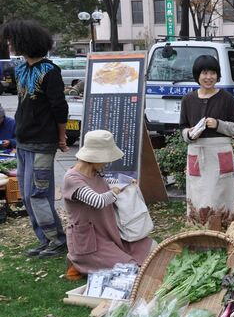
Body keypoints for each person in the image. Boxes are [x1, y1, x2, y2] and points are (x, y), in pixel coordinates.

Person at [0, 20, 68, 257]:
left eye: (12, 40)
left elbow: (60, 108)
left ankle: (57, 241)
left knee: (38, 194)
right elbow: (22, 104)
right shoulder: (20, 69)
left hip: (43, 142)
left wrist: (62, 138)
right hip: (23, 141)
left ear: (24, 42)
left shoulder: (50, 71)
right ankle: (45, 239)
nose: (9, 44)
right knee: (27, 195)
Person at [63, 130, 154, 275]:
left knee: (150, 248)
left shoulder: (96, 173)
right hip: (90, 241)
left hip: (109, 232)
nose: (108, 162)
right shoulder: (72, 179)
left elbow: (106, 185)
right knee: (130, 269)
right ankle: (78, 262)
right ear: (95, 157)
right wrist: (116, 191)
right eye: (106, 158)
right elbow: (98, 201)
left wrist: (125, 183)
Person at [179, 55, 234, 227]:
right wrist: (189, 134)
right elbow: (182, 127)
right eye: (204, 73)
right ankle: (198, 231)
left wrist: (218, 124)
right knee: (197, 194)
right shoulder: (188, 100)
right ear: (197, 75)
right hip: (196, 153)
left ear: (218, 75)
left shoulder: (227, 98)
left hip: (220, 152)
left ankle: (223, 230)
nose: (209, 77)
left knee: (221, 195)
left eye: (213, 73)